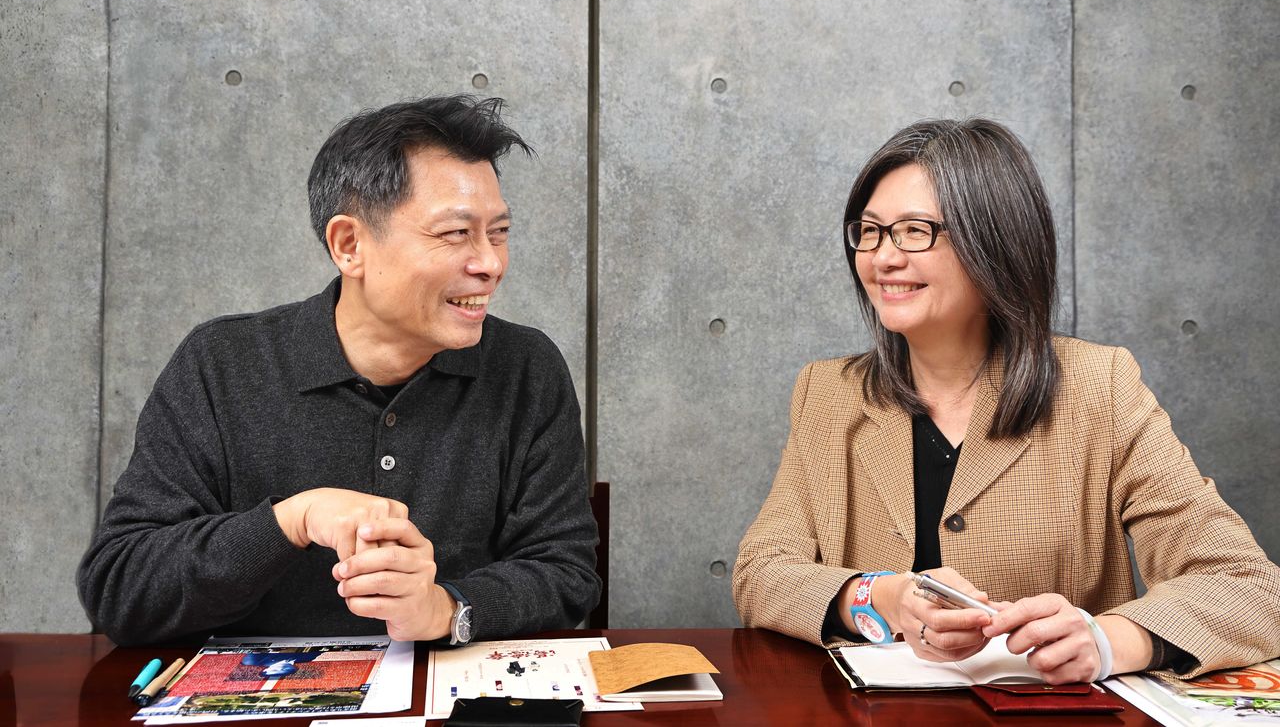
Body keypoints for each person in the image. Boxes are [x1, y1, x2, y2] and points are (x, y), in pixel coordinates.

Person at [733, 118, 1280, 682]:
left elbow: (1249, 587)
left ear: (995, 243)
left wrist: (1108, 640)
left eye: (915, 230)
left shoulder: (1101, 386)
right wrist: (883, 598)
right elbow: (761, 573)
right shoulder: (829, 392)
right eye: (870, 231)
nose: (883, 257)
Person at [78, 95, 600, 646]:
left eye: (498, 232)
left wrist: (446, 609)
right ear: (349, 245)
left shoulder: (526, 368)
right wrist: (291, 521)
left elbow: (566, 571)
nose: (490, 263)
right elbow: (120, 589)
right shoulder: (221, 365)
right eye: (455, 233)